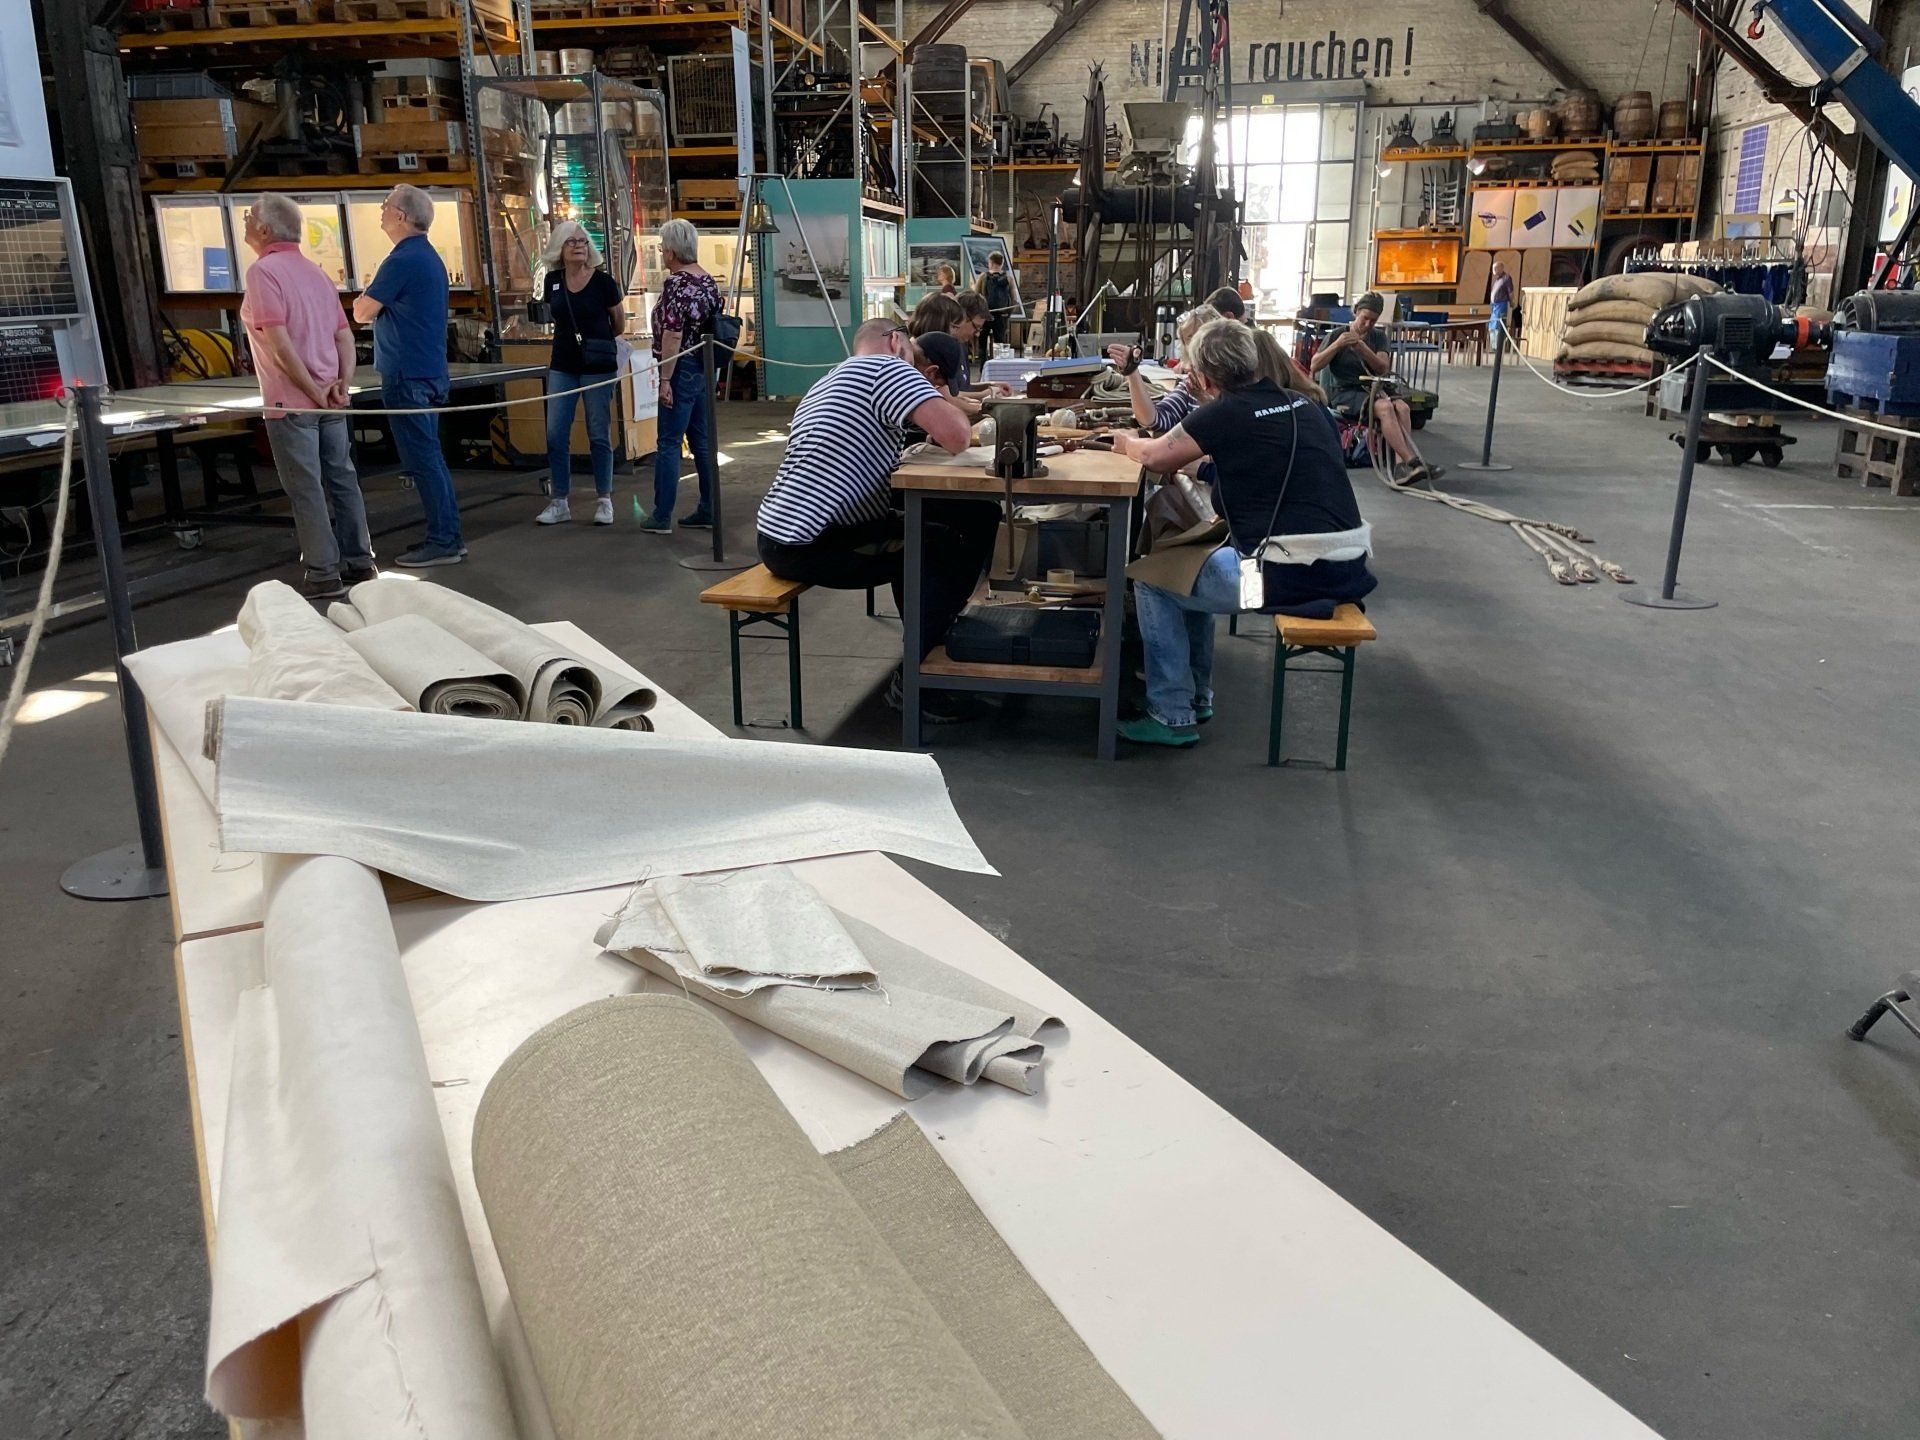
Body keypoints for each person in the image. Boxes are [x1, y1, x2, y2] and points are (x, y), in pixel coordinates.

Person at [1108, 319, 1375, 748]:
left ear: (1204, 378)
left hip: (1278, 580)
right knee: (1188, 568)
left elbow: (1155, 456)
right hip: (1347, 568)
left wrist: (1125, 443)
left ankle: (1171, 714)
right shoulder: (1304, 404)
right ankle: (1197, 696)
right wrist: (1201, 464)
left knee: (1151, 581)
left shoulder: (1224, 413)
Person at [756, 319, 997, 722]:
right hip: (815, 543)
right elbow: (957, 435)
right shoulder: (888, 367)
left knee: (964, 517)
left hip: (780, 534)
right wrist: (934, 400)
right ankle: (918, 677)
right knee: (946, 544)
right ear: (896, 341)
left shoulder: (834, 376)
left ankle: (923, 649)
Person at [239, 193, 375, 601]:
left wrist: (312, 391)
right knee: (342, 479)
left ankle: (323, 573)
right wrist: (340, 385)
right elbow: (344, 336)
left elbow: (280, 345)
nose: (245, 221)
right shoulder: (316, 273)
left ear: (265, 229)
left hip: (291, 402)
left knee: (307, 489)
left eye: (249, 216)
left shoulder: (263, 273)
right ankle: (360, 562)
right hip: (332, 401)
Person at [352, 184, 460, 567]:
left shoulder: (401, 260)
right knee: (431, 458)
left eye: (385, 206)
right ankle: (448, 535)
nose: (381, 211)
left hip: (406, 374)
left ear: (401, 216)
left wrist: (362, 299)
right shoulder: (427, 257)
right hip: (427, 370)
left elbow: (362, 312)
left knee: (424, 461)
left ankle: (444, 540)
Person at [534, 220, 626, 528]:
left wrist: (596, 343)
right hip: (563, 364)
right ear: (559, 248)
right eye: (571, 241)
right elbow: (555, 315)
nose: (578, 246)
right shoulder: (553, 281)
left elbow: (618, 323)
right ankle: (559, 501)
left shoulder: (603, 282)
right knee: (555, 433)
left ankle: (604, 500)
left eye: (582, 241)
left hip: (597, 366)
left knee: (598, 432)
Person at [643, 217, 723, 533]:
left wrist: (665, 379)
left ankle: (661, 515)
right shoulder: (708, 281)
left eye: (663, 247)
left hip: (681, 367)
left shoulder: (676, 284)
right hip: (704, 366)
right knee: (702, 442)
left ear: (671, 251)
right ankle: (709, 508)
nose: (662, 252)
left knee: (668, 442)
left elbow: (673, 333)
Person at [1309, 291, 1427, 485]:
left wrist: (1364, 350)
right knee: (1385, 408)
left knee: (1403, 408)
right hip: (1345, 392)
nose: (1367, 324)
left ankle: (1400, 465)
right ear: (1356, 312)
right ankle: (1412, 460)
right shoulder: (1337, 335)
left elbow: (1383, 368)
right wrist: (1337, 345)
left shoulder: (1378, 337)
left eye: (1373, 321)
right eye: (1365, 318)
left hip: (1373, 388)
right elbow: (1315, 365)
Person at [1107, 303, 1222, 432]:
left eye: (1202, 338)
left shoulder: (1234, 386)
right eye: (1190, 339)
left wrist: (1206, 401)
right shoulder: (1190, 387)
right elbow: (1152, 420)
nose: (1196, 345)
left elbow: (1229, 427)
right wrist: (1132, 371)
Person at [973, 251, 1021, 357]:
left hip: (985, 315)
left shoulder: (983, 277)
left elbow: (975, 296)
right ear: (1002, 263)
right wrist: (1007, 314)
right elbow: (1014, 300)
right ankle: (999, 362)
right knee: (1000, 343)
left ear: (990, 262)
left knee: (982, 343)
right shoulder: (1008, 279)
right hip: (1001, 316)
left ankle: (983, 364)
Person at [1488, 260, 1514, 346]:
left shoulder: (1506, 278)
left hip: (1502, 304)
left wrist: (1512, 301)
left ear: (1501, 268)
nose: (1493, 270)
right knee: (1491, 326)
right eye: (1493, 268)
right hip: (1495, 306)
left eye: (1495, 268)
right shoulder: (1497, 280)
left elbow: (1510, 291)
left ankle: (1498, 346)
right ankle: (1493, 345)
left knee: (1498, 325)